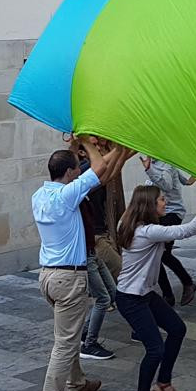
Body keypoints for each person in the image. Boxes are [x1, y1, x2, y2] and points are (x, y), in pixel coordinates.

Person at [32, 138, 132, 391]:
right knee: (64, 344)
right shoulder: (67, 196)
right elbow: (100, 167)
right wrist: (87, 143)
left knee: (67, 334)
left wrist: (122, 150)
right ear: (69, 173)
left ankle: (76, 384)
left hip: (48, 276)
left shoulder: (40, 195)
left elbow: (103, 171)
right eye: (77, 168)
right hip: (68, 277)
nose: (81, 171)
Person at [115, 184, 196, 391]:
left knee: (177, 329)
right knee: (155, 348)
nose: (164, 202)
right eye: (160, 199)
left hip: (145, 294)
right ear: (149, 204)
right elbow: (186, 231)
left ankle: (163, 383)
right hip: (131, 298)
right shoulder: (146, 231)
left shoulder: (134, 226)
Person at [77, 150, 120, 361]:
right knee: (103, 298)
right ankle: (89, 344)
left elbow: (108, 173)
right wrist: (121, 149)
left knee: (112, 293)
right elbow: (102, 168)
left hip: (92, 251)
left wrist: (124, 151)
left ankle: (84, 331)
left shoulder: (81, 189)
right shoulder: (75, 189)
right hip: (87, 252)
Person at [142, 157, 196, 306]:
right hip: (160, 214)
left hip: (171, 213)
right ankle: (170, 293)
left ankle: (183, 286)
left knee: (162, 254)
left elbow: (166, 185)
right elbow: (184, 181)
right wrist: (191, 179)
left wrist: (149, 170)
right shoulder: (160, 163)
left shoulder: (166, 165)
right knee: (157, 255)